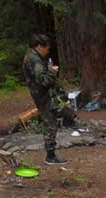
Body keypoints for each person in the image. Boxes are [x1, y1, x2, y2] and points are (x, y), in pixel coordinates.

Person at [22, 33, 76, 166]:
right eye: (47, 48)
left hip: (44, 95)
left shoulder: (32, 57)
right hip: (43, 96)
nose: (48, 51)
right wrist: (52, 71)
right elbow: (43, 81)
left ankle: (52, 153)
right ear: (40, 46)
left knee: (64, 113)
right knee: (50, 123)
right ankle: (50, 156)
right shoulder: (35, 60)